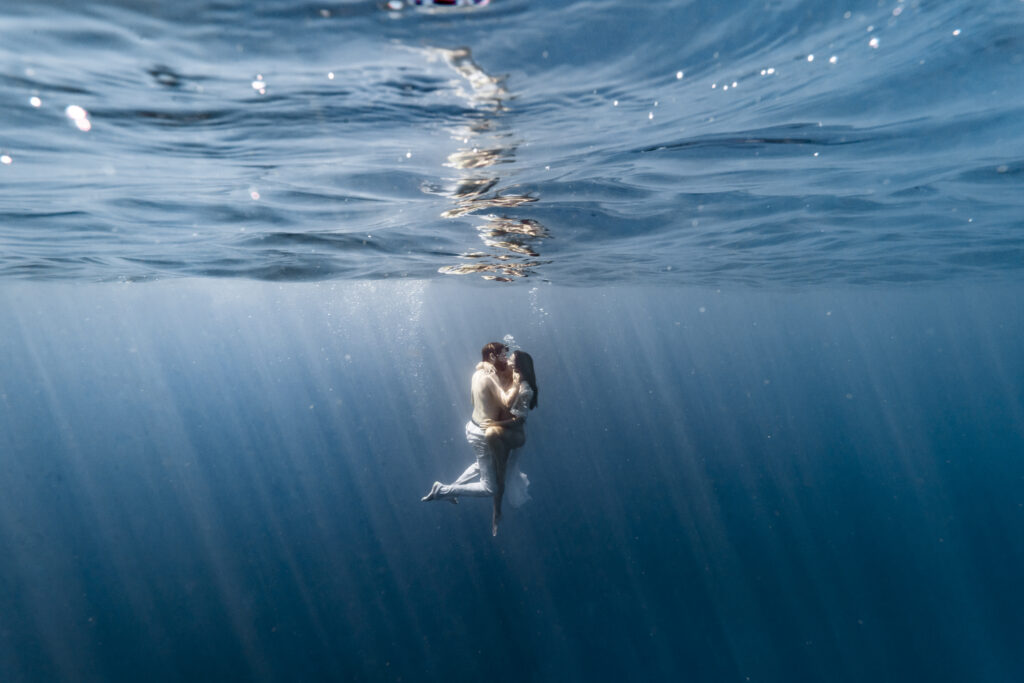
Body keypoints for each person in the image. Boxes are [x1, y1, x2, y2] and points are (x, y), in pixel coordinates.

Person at [421, 342, 510, 508]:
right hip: (483, 434)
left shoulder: (476, 374)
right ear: (492, 356)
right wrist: (519, 384)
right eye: (503, 355)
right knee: (490, 488)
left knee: (481, 464)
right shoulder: (490, 377)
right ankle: (443, 491)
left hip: (472, 427)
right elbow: (507, 401)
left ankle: (449, 490)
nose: (506, 358)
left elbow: (472, 400)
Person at [484, 351, 537, 535]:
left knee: (503, 472)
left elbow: (519, 420)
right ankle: (499, 509)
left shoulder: (526, 389)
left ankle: (497, 513)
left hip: (516, 435)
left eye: (512, 359)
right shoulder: (515, 376)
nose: (509, 361)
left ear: (519, 365)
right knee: (502, 470)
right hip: (508, 432)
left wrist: (495, 423)